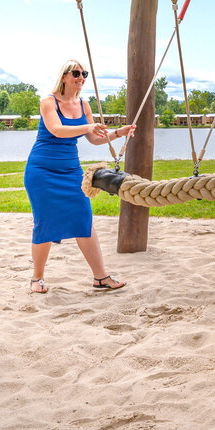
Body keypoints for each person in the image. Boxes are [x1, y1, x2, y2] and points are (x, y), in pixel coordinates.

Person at [24, 59, 135, 294]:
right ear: (64, 76)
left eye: (83, 73)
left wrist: (117, 133)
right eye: (76, 73)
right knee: (44, 221)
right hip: (42, 172)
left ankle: (100, 277)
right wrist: (86, 127)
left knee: (84, 218)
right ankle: (37, 278)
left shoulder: (84, 104)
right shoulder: (48, 101)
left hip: (71, 170)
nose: (81, 77)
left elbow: (95, 138)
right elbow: (56, 130)